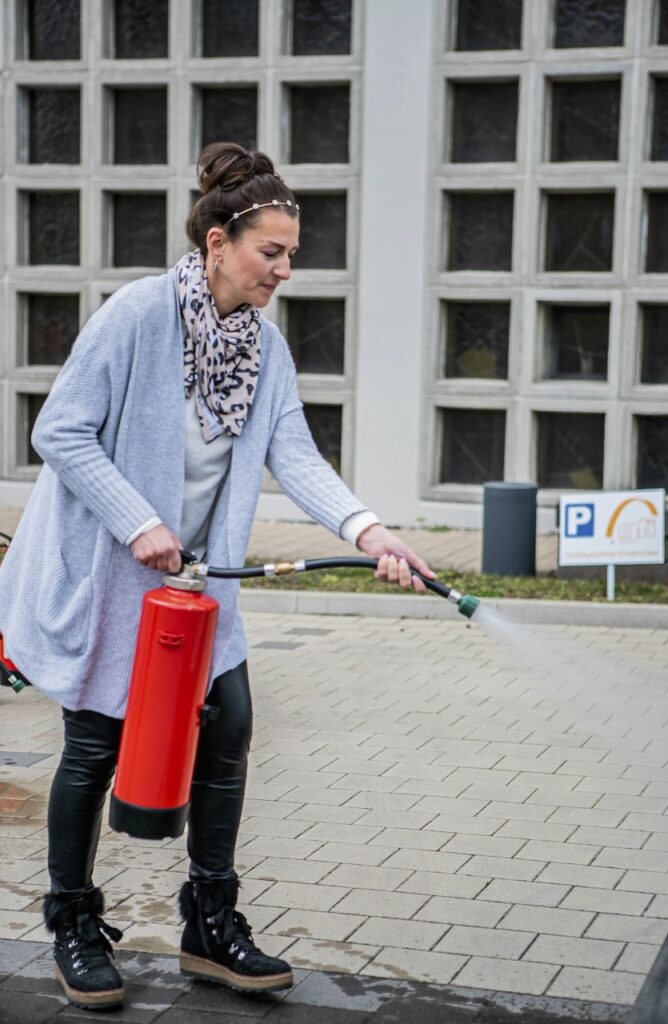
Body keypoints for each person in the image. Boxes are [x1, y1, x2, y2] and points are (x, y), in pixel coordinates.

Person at [0, 143, 434, 1010]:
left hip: (199, 586)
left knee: (228, 724)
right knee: (94, 745)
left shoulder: (264, 353)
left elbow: (296, 458)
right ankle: (74, 924)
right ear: (217, 244)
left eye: (290, 257)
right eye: (271, 252)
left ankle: (208, 922)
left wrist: (372, 530)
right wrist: (140, 521)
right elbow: (61, 431)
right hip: (109, 572)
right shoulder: (136, 316)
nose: (282, 271)